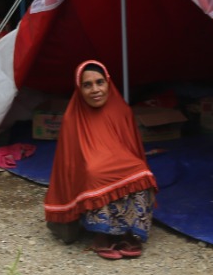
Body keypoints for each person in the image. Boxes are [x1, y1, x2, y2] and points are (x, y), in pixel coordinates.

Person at [44, 61, 157, 260]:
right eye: (87, 85)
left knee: (140, 170)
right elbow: (72, 161)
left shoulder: (122, 111)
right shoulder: (73, 117)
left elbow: (133, 150)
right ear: (79, 89)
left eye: (99, 83)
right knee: (95, 172)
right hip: (90, 166)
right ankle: (102, 234)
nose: (95, 90)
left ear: (108, 84)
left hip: (119, 162)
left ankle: (129, 233)